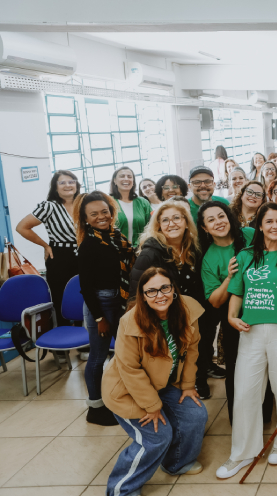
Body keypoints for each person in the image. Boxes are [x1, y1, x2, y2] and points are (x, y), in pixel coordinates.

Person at [215, 203, 277, 477]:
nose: (275, 226)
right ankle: (242, 453)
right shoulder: (245, 256)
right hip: (251, 333)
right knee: (246, 391)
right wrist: (232, 317)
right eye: (268, 221)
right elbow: (236, 291)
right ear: (259, 226)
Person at [102, 267, 207, 495]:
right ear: (143, 295)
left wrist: (188, 385)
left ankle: (176, 463)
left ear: (173, 289)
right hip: (126, 391)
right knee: (158, 436)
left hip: (162, 385)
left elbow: (192, 352)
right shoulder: (130, 322)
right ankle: (121, 489)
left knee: (196, 415)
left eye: (164, 288)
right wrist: (152, 406)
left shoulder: (187, 310)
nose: (160, 295)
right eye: (151, 291)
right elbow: (129, 369)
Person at [130, 200, 215, 398]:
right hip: (164, 319)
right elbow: (136, 295)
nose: (172, 223)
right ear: (158, 225)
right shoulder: (150, 253)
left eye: (177, 218)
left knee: (198, 352)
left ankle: (197, 382)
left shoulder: (194, 248)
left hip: (193, 316)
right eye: (165, 220)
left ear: (186, 222)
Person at [198, 201, 268, 425]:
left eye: (221, 216)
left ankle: (264, 415)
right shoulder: (209, 257)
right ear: (204, 228)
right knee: (237, 371)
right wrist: (229, 277)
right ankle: (238, 419)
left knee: (265, 367)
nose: (218, 222)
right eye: (211, 220)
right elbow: (215, 301)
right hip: (234, 320)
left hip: (267, 310)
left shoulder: (249, 234)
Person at [77, 191, 135, 426]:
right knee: (98, 357)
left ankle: (118, 398)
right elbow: (85, 287)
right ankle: (95, 408)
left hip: (121, 300)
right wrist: (100, 317)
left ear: (112, 212)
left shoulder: (117, 237)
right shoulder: (89, 244)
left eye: (104, 211)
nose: (101, 216)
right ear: (85, 219)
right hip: (100, 304)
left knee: (124, 353)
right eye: (94, 214)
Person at [17, 170, 81, 327]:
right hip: (60, 256)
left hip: (83, 255)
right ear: (55, 187)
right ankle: (63, 340)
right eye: (62, 182)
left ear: (77, 184)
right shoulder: (49, 206)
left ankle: (83, 338)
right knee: (60, 297)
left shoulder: (83, 203)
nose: (68, 185)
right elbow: (22, 227)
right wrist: (45, 245)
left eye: (71, 181)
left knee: (81, 294)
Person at [109, 166, 152, 245]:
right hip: (115, 250)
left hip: (141, 250)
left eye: (129, 176)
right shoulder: (107, 202)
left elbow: (151, 227)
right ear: (115, 180)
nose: (126, 179)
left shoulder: (143, 203)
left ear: (133, 181)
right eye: (122, 176)